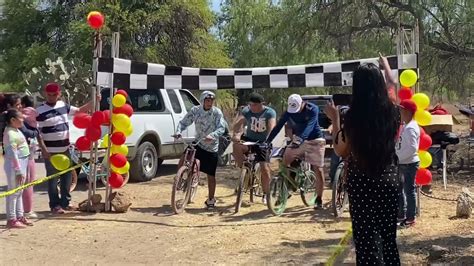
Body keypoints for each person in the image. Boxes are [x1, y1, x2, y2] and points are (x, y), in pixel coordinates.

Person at [325, 62, 401, 265]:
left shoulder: (353, 116)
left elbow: (341, 150)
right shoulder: (393, 112)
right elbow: (394, 87)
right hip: (389, 177)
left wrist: (335, 120)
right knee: (388, 238)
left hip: (362, 181)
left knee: (366, 241)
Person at [36, 83, 98, 214]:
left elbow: (80, 111)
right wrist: (43, 149)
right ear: (45, 94)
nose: (52, 97)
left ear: (59, 94)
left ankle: (66, 202)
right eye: (49, 95)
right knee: (52, 178)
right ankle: (54, 205)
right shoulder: (39, 111)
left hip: (65, 149)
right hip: (50, 152)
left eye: (54, 94)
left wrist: (94, 101)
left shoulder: (63, 106)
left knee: (67, 176)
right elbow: (37, 133)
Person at [266, 93, 326, 209]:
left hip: (315, 140)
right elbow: (278, 126)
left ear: (302, 103)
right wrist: (268, 141)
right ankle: (288, 187)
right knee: (285, 160)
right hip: (298, 141)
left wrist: (299, 139)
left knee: (318, 169)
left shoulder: (313, 109)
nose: (295, 112)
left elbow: (310, 126)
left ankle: (319, 199)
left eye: (297, 109)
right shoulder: (289, 112)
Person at [175, 91, 226, 209]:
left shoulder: (217, 112)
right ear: (203, 100)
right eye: (207, 100)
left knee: (211, 175)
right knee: (184, 157)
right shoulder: (195, 110)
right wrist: (178, 132)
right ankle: (179, 180)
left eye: (211, 101)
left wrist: (212, 135)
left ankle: (211, 199)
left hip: (211, 146)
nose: (210, 103)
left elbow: (221, 127)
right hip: (198, 142)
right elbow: (184, 122)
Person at [232, 92, 276, 202]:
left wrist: (268, 141)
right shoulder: (247, 111)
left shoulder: (269, 112)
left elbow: (272, 127)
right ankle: (244, 168)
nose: (252, 107)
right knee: (236, 146)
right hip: (249, 140)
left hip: (263, 142)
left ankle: (266, 193)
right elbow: (238, 124)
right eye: (250, 105)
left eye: (255, 105)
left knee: (264, 168)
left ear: (262, 104)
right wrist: (236, 134)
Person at [2, 109, 34, 228]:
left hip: (23, 161)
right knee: (13, 192)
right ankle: (11, 219)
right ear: (13, 120)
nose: (23, 119)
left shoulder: (16, 130)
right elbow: (12, 153)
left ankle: (20, 216)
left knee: (19, 191)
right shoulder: (9, 133)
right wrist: (18, 170)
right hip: (15, 165)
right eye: (20, 118)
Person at [396, 99, 420, 228]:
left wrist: (398, 158)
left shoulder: (411, 128)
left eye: (401, 109)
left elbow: (412, 148)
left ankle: (411, 217)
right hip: (402, 162)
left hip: (408, 163)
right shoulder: (406, 125)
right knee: (399, 190)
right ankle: (401, 214)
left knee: (409, 191)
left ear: (407, 111)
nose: (400, 112)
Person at [20, 95, 40, 218]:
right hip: (26, 151)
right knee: (27, 181)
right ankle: (26, 211)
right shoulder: (35, 113)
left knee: (29, 180)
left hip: (29, 150)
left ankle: (27, 209)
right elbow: (29, 132)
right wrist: (36, 132)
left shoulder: (21, 115)